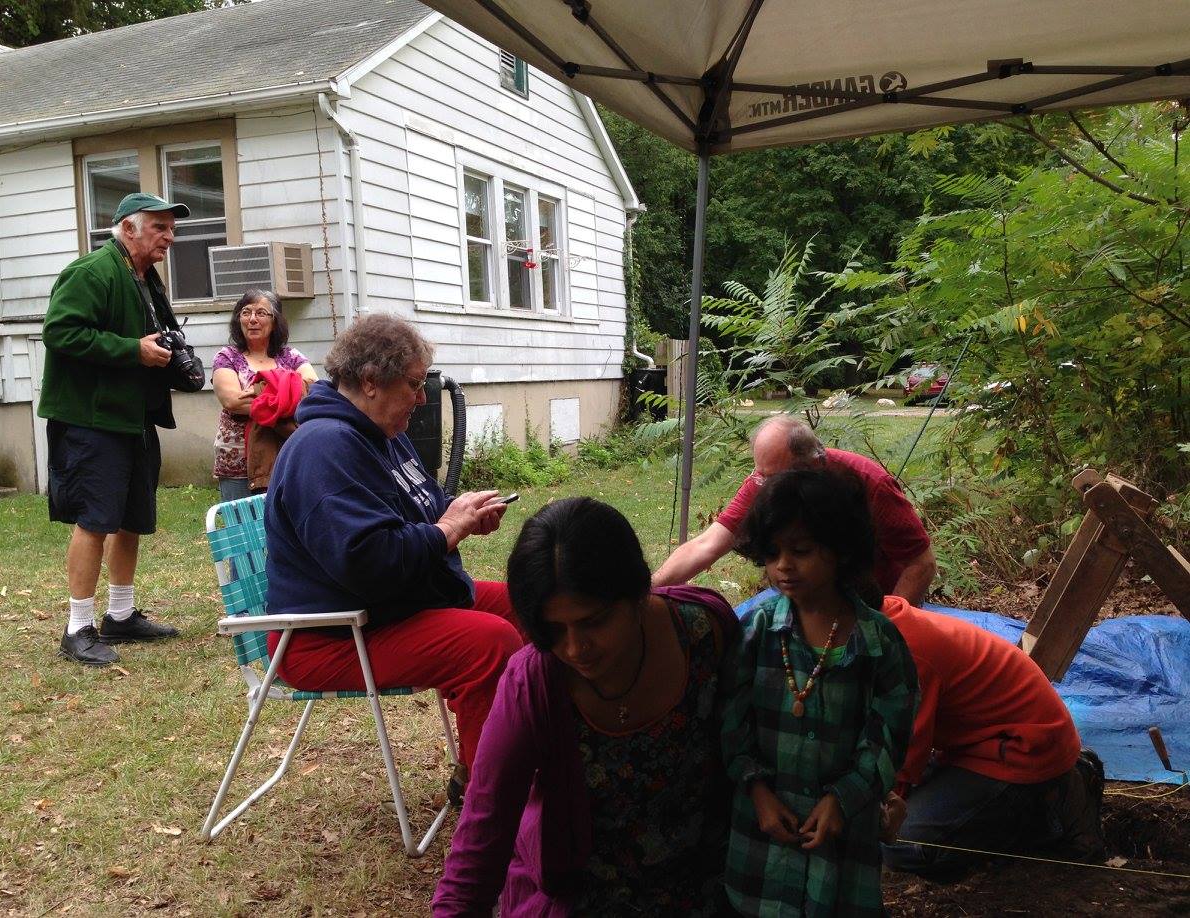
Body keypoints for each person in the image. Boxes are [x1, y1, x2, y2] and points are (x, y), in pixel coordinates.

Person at [433, 497, 741, 916]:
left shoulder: (707, 634)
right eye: (553, 629)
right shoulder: (535, 681)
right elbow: (483, 832)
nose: (576, 648)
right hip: (581, 897)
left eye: (594, 621)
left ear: (636, 591)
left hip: (704, 888)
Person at [263, 313, 520, 804]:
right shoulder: (324, 449)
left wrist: (458, 516)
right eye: (414, 384)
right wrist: (446, 531)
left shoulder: (381, 433)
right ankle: (494, 800)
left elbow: (414, 518)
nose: (423, 398)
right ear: (369, 382)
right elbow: (369, 561)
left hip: (391, 607)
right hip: (329, 635)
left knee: (535, 603)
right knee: (488, 644)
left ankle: (513, 757)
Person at [722, 468, 918, 917]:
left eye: (801, 551)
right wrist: (757, 792)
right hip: (762, 841)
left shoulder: (878, 644)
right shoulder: (755, 632)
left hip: (843, 844)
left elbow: (888, 735)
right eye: (772, 554)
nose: (783, 566)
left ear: (841, 550)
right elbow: (732, 722)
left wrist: (844, 799)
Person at [40, 192, 190, 666]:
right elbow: (61, 333)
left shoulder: (145, 279)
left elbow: (149, 334)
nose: (170, 237)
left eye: (171, 228)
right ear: (128, 228)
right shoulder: (91, 272)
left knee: (131, 518)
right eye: (160, 228)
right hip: (92, 419)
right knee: (95, 519)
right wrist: (132, 351)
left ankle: (120, 616)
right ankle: (77, 627)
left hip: (134, 417)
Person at [878, 598, 1105, 874]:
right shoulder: (870, 624)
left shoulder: (902, 650)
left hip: (1024, 748)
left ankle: (1053, 808)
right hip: (975, 743)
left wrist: (882, 817)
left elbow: (905, 754)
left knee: (898, 843)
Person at [653, 415, 937, 605]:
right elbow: (706, 545)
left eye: (773, 476)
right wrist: (644, 590)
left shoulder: (870, 484)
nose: (762, 485)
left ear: (812, 464)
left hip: (873, 604)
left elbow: (921, 563)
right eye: (759, 473)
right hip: (810, 604)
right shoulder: (764, 481)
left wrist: (890, 628)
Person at [211, 290, 317, 501]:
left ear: (275, 321)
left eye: (261, 313)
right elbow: (233, 401)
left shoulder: (291, 357)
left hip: (285, 454)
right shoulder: (227, 357)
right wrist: (286, 394)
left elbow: (312, 390)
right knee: (243, 527)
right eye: (246, 312)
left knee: (283, 525)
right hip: (237, 460)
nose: (252, 319)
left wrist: (258, 393)